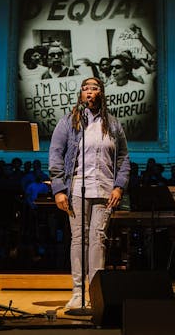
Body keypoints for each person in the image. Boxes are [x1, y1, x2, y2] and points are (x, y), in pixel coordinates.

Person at [48, 77, 130, 309]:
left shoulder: (113, 125)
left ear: (101, 93)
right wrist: (59, 189)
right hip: (76, 188)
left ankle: (96, 292)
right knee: (79, 239)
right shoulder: (68, 122)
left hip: (105, 189)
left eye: (94, 88)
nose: (89, 92)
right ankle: (77, 292)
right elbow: (55, 154)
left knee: (98, 240)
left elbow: (123, 158)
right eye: (85, 89)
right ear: (80, 95)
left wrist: (119, 185)